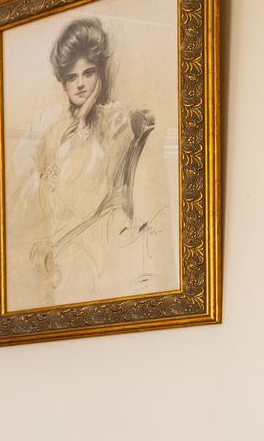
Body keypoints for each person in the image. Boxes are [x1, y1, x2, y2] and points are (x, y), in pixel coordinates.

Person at [13, 16, 162, 308]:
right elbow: (35, 206)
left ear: (100, 74)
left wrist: (84, 125)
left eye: (88, 73)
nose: (80, 84)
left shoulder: (115, 121)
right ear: (63, 81)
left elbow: (88, 200)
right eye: (72, 77)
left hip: (96, 247)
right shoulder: (53, 128)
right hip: (55, 251)